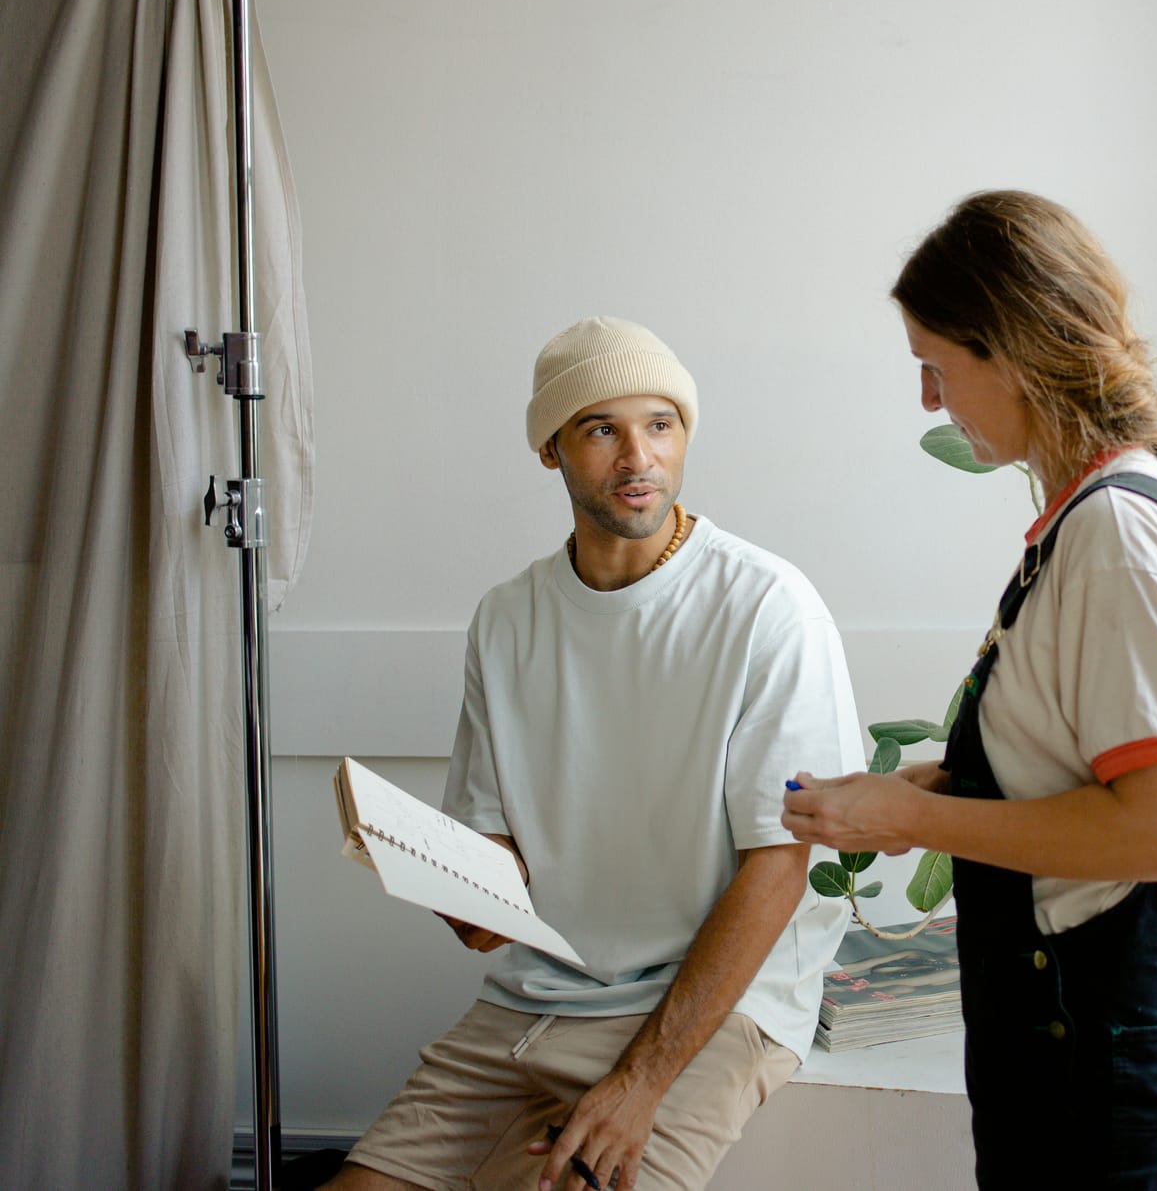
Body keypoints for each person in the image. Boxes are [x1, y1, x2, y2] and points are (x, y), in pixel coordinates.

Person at [781, 191, 1157, 1189]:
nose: (929, 398)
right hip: (1070, 1043)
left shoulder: (1116, 535)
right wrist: (935, 787)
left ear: (1007, 351)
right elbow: (1071, 762)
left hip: (1101, 1051)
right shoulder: (1085, 522)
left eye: (936, 364)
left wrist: (911, 819)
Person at [330, 317, 866, 1191]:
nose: (638, 457)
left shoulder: (768, 607)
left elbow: (779, 867)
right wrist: (466, 893)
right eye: (601, 429)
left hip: (711, 1010)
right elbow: (496, 846)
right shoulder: (507, 619)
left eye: (661, 423)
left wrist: (641, 1082)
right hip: (535, 996)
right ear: (550, 448)